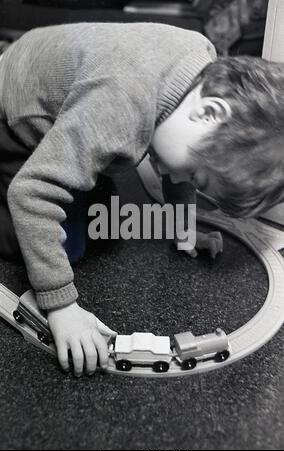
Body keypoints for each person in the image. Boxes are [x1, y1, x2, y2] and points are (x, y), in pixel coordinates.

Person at [0, 22, 284, 376]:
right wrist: (61, 306)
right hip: (13, 119)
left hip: (69, 85)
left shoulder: (201, 74)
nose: (183, 181)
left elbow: (180, 162)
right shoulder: (122, 103)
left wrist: (184, 226)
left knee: (108, 221)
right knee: (62, 243)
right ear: (209, 113)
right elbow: (32, 192)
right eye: (196, 176)